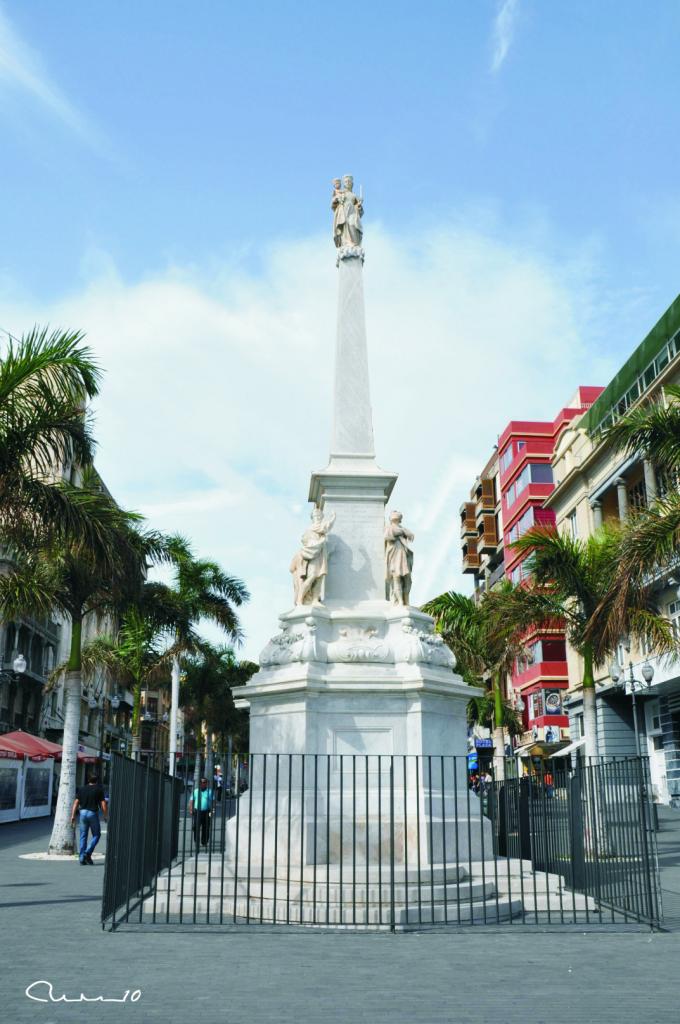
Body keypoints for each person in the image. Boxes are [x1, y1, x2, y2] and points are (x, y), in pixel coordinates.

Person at [70, 770, 107, 865]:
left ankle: (82, 857)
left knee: (83, 835)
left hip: (82, 813)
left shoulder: (82, 789)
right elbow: (103, 804)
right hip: (92, 813)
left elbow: (76, 803)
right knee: (96, 835)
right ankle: (88, 852)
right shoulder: (99, 789)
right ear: (97, 780)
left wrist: (73, 815)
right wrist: (105, 816)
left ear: (88, 779)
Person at [189, 776, 214, 849]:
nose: (203, 783)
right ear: (199, 783)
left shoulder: (210, 791)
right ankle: (196, 841)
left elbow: (213, 802)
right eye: (202, 782)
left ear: (207, 783)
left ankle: (204, 842)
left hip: (207, 811)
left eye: (204, 782)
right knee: (196, 827)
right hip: (197, 811)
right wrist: (191, 809)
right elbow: (191, 801)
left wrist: (212, 811)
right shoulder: (196, 791)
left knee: (206, 827)